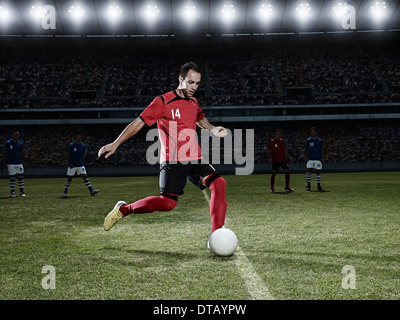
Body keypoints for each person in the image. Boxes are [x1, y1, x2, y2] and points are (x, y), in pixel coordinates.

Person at [98, 62, 228, 233]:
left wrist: (212, 128)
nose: (194, 87)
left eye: (197, 83)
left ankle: (216, 233)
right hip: (173, 160)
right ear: (180, 79)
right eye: (190, 82)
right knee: (167, 204)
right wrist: (116, 143)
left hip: (194, 156)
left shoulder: (193, 101)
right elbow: (138, 123)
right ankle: (124, 209)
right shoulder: (163, 101)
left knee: (219, 184)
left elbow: (200, 119)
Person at [63, 134, 99, 198]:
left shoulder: (83, 145)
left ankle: (91, 191)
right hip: (73, 165)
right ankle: (65, 192)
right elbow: (67, 154)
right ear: (75, 138)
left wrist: (84, 163)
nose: (79, 138)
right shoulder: (71, 145)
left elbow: (83, 155)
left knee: (85, 176)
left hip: (80, 165)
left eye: (80, 137)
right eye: (77, 137)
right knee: (69, 179)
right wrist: (69, 163)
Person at [267, 128, 294, 193]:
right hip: (275, 160)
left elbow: (284, 149)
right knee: (273, 173)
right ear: (275, 134)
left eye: (279, 133)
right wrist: (269, 158)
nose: (279, 134)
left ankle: (287, 186)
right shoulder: (272, 141)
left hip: (282, 159)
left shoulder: (282, 141)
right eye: (277, 133)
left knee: (287, 172)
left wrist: (289, 156)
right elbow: (268, 150)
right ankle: (272, 188)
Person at [2, 131, 26, 197]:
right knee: (12, 178)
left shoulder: (20, 144)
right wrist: (3, 161)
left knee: (21, 177)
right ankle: (12, 192)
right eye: (15, 135)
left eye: (17, 135)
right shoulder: (8, 143)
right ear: (12, 135)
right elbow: (3, 152)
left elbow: (22, 153)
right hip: (10, 163)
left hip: (19, 162)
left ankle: (21, 192)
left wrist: (24, 162)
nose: (16, 136)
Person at [304, 127, 326, 191]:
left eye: (313, 131)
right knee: (308, 172)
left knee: (318, 172)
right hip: (310, 159)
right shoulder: (308, 140)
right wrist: (305, 157)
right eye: (311, 132)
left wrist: (323, 158)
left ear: (316, 132)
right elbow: (305, 149)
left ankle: (319, 186)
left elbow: (322, 149)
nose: (312, 133)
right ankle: (308, 186)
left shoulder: (319, 140)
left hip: (318, 159)